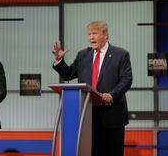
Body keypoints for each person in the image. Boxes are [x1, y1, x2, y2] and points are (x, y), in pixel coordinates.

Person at [52, 20, 132, 156]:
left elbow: (126, 79)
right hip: (88, 115)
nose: (91, 37)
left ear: (105, 35)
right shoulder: (83, 55)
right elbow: (69, 74)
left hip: (112, 114)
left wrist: (112, 95)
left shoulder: (120, 54)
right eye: (89, 34)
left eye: (95, 33)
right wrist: (59, 61)